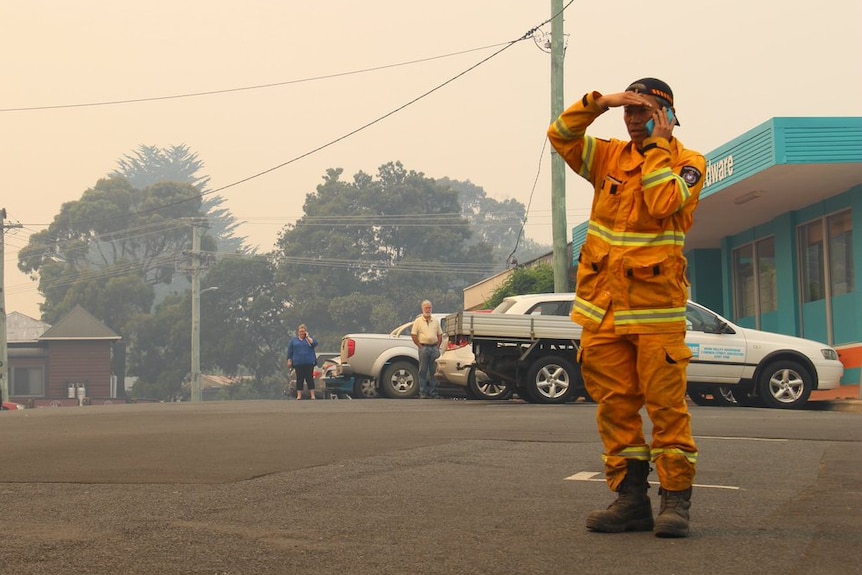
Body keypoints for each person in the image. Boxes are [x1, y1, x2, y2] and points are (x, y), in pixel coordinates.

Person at [547, 78, 706, 538]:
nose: (633, 120)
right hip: (603, 312)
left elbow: (662, 203)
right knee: (615, 410)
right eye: (629, 111)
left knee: (666, 411)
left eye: (644, 112)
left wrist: (657, 147)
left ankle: (675, 503)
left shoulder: (689, 164)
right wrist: (601, 102)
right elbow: (560, 134)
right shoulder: (608, 155)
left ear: (667, 115)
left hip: (656, 317)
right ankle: (630, 500)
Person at [410, 300, 443, 399]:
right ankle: (423, 392)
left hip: (434, 348)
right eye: (426, 308)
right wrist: (420, 346)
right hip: (423, 348)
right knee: (423, 370)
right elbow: (413, 335)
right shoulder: (418, 321)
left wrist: (437, 346)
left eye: (429, 308)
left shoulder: (435, 321)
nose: (428, 310)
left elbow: (440, 334)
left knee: (434, 371)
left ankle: (434, 392)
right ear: (422, 309)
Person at [286, 324, 318, 400]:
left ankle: (312, 395)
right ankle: (299, 395)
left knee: (309, 378)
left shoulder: (309, 339)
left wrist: (307, 337)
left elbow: (314, 344)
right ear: (298, 332)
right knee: (299, 379)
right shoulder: (294, 341)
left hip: (309, 362)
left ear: (306, 332)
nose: (301, 333)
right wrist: (289, 360)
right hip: (298, 363)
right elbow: (290, 351)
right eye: (300, 331)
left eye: (303, 331)